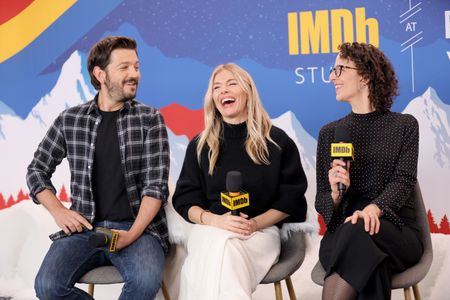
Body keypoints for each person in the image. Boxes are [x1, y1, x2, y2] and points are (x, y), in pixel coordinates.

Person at [26, 36, 170, 300]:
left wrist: (131, 235)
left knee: (145, 283)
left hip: (137, 229)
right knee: (47, 287)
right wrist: (58, 211)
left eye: (136, 67)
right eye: (124, 67)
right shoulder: (71, 120)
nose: (134, 74)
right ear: (100, 74)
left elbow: (156, 188)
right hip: (85, 229)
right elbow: (36, 170)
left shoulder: (150, 119)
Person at [172, 63, 308, 299]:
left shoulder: (277, 141)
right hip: (211, 229)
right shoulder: (201, 145)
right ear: (212, 98)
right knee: (217, 243)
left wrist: (254, 224)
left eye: (231, 84)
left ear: (248, 92)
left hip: (260, 234)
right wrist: (215, 221)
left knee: (225, 248)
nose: (223, 91)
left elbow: (291, 199)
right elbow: (185, 200)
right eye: (217, 87)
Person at [315, 42, 424, 300]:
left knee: (358, 233)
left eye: (340, 69)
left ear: (364, 75)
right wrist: (335, 194)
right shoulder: (330, 133)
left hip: (394, 228)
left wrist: (375, 208)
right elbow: (321, 200)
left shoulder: (404, 125)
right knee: (365, 252)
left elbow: (404, 180)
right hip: (344, 231)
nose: (332, 76)